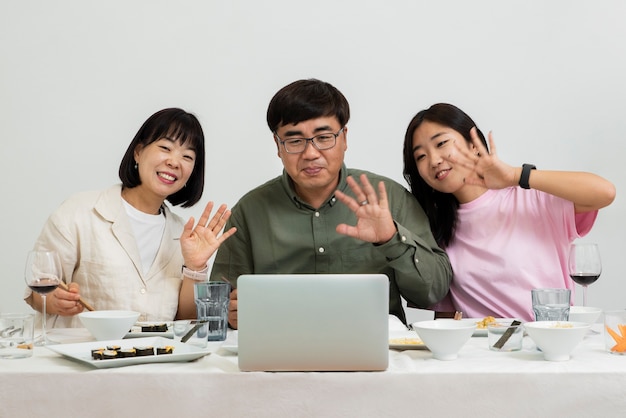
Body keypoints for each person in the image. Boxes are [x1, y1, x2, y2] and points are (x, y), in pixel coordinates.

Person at [209, 79, 453, 328]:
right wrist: (228, 313)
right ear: (278, 146)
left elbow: (433, 292)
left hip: (374, 348)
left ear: (344, 137)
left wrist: (391, 238)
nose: (311, 153)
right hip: (280, 352)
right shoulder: (250, 211)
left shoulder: (389, 198)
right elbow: (215, 307)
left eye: (324, 137)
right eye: (295, 141)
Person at [402, 103, 616, 321]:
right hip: (484, 352)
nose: (435, 160)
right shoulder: (435, 230)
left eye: (441, 143)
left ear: (473, 144)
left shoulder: (532, 198)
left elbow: (605, 192)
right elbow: (446, 321)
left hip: (550, 345)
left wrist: (516, 176)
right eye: (421, 156)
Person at [25, 108, 236, 328]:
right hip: (81, 356)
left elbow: (185, 320)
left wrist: (195, 267)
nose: (175, 162)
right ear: (138, 152)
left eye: (187, 156)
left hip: (154, 359)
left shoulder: (183, 236)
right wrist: (55, 301)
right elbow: (38, 291)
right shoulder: (79, 212)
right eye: (165, 147)